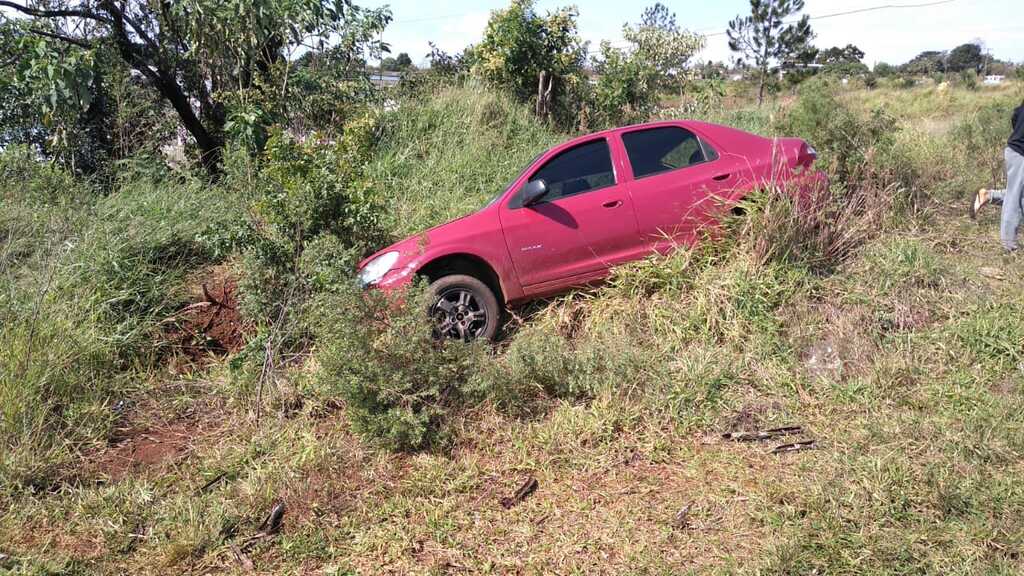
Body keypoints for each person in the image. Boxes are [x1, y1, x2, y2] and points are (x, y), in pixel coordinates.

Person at [971, 99, 1024, 253]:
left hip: (1016, 150)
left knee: (1017, 195)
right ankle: (1009, 247)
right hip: (1020, 154)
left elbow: (1015, 115)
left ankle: (988, 195)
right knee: (1014, 200)